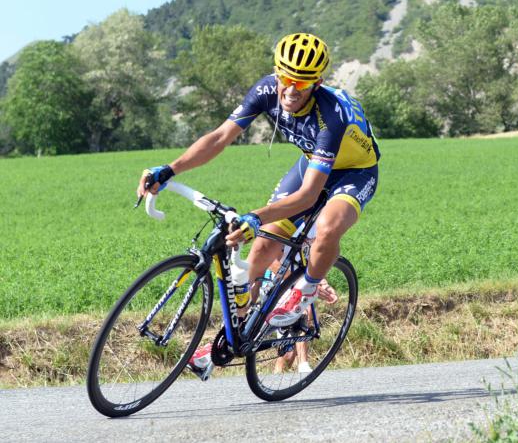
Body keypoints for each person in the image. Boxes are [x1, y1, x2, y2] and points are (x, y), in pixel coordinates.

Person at [137, 33, 379, 377]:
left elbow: (310, 197)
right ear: (276, 72)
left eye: (301, 84)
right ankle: (230, 340)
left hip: (353, 172)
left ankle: (304, 292)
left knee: (326, 227)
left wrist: (254, 216)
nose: (290, 91)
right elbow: (221, 137)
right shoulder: (268, 90)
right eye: (285, 79)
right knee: (262, 246)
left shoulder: (331, 114)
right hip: (312, 163)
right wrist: (170, 169)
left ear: (318, 83)